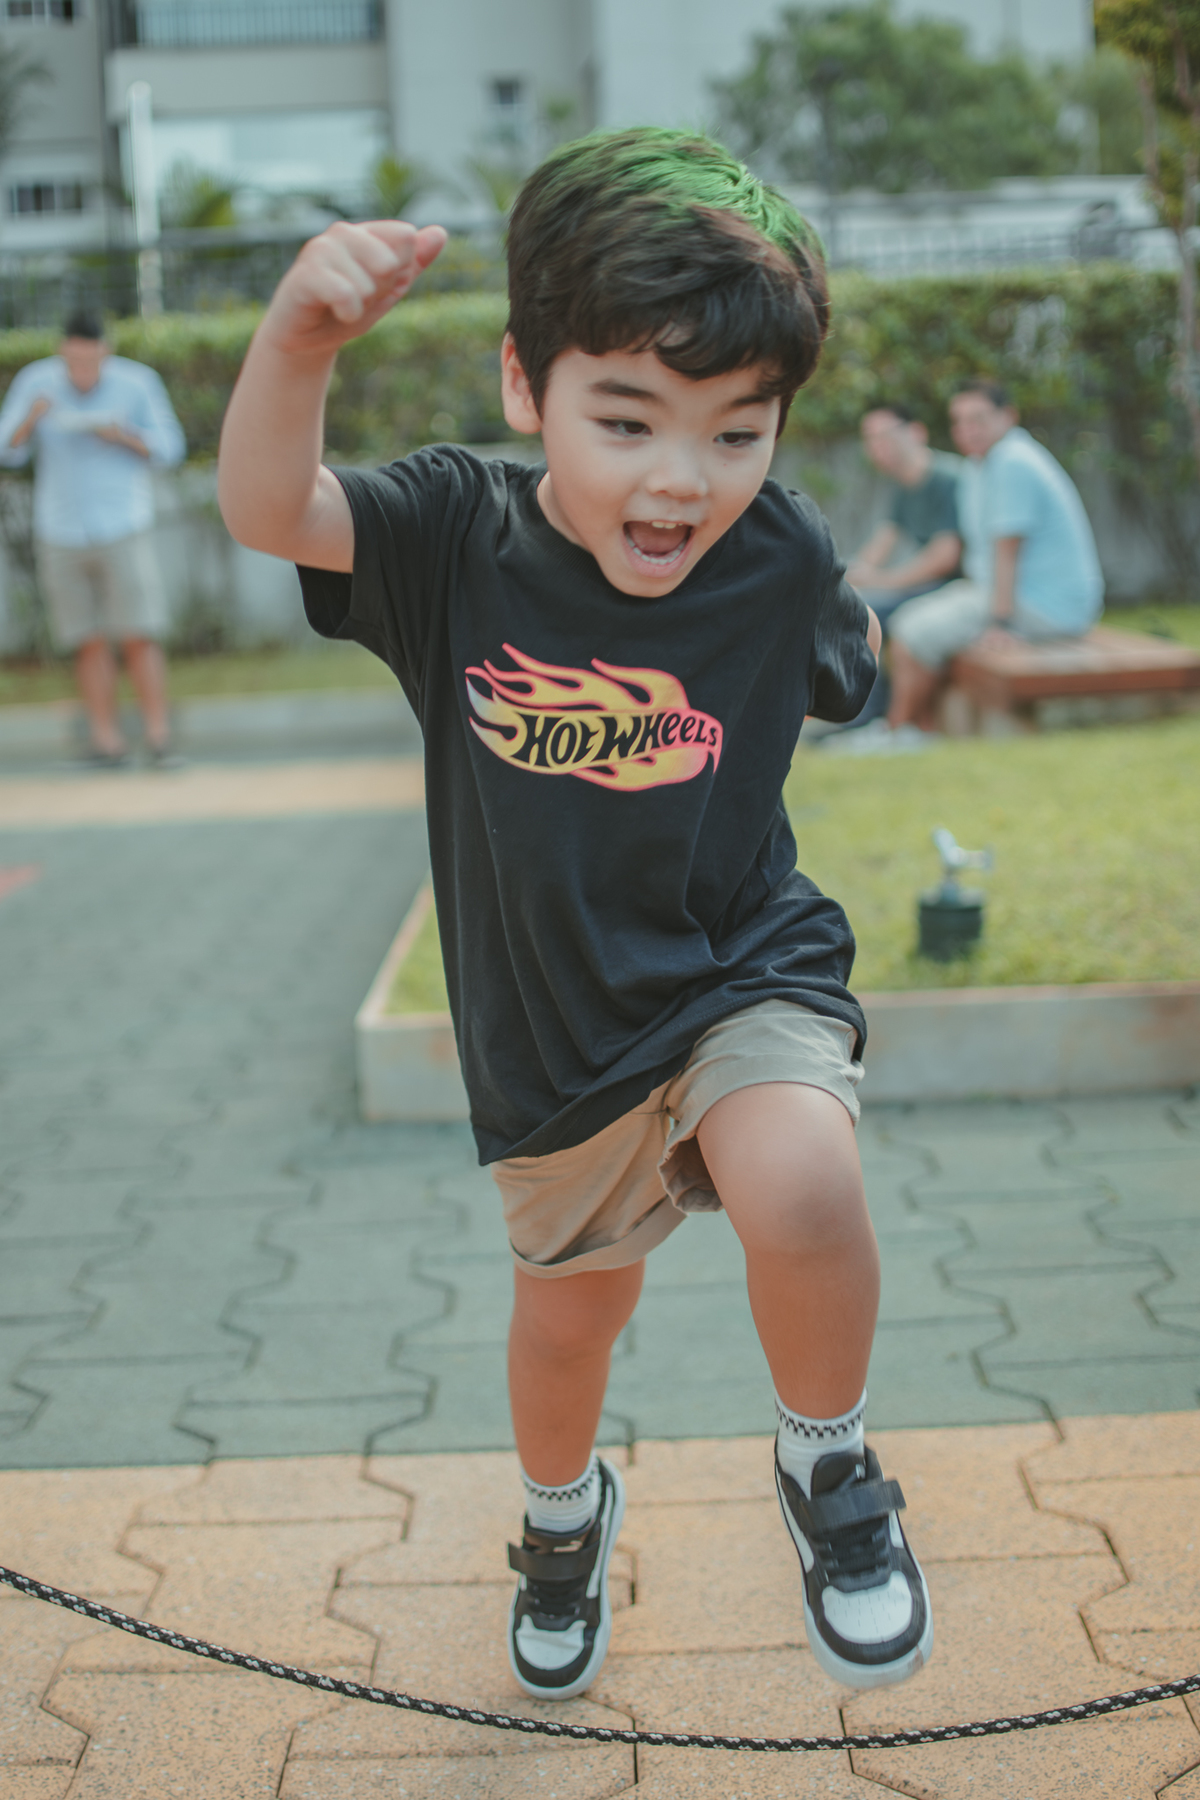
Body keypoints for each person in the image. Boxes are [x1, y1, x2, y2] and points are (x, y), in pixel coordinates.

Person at [218, 128, 933, 1700]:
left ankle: (829, 1470)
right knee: (568, 1333)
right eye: (628, 420)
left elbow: (849, 659)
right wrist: (296, 340)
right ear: (525, 386)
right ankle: (561, 1518)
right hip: (553, 1032)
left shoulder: (780, 549)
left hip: (745, 964)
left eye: (739, 433)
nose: (683, 477)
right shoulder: (449, 540)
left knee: (804, 1184)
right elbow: (274, 509)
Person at [0, 309, 186, 764]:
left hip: (123, 523)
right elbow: (8, 450)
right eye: (73, 361)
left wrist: (123, 436)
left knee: (139, 632)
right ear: (63, 351)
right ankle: (107, 740)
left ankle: (158, 737)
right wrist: (32, 417)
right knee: (85, 638)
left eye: (90, 361)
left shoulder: (137, 383)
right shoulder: (36, 381)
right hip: (60, 528)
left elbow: (171, 449)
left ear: (106, 351)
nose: (81, 371)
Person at [886, 381, 1104, 733]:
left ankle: (898, 732)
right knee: (908, 624)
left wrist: (1000, 623)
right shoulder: (981, 465)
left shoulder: (1012, 462)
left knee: (913, 632)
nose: (967, 430)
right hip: (1014, 596)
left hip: (1046, 607)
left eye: (978, 419)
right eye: (959, 422)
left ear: (1008, 417)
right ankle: (913, 731)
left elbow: (1007, 551)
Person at [838, 403, 962, 729]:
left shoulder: (947, 479)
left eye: (884, 436)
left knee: (869, 612)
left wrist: (882, 580)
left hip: (959, 586)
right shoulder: (904, 485)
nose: (877, 447)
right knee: (851, 602)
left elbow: (944, 557)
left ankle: (868, 715)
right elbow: (883, 540)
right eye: (870, 439)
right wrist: (848, 577)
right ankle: (849, 709)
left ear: (915, 432)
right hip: (933, 584)